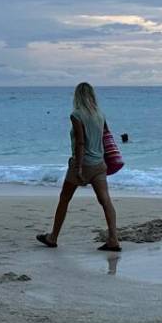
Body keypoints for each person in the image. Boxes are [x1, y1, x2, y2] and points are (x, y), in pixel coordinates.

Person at [37, 82, 122, 252]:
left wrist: (79, 168)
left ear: (77, 96)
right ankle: (113, 239)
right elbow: (105, 137)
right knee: (106, 201)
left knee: (64, 199)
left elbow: (81, 142)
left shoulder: (76, 115)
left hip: (83, 164)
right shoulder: (100, 114)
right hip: (99, 164)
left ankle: (53, 237)